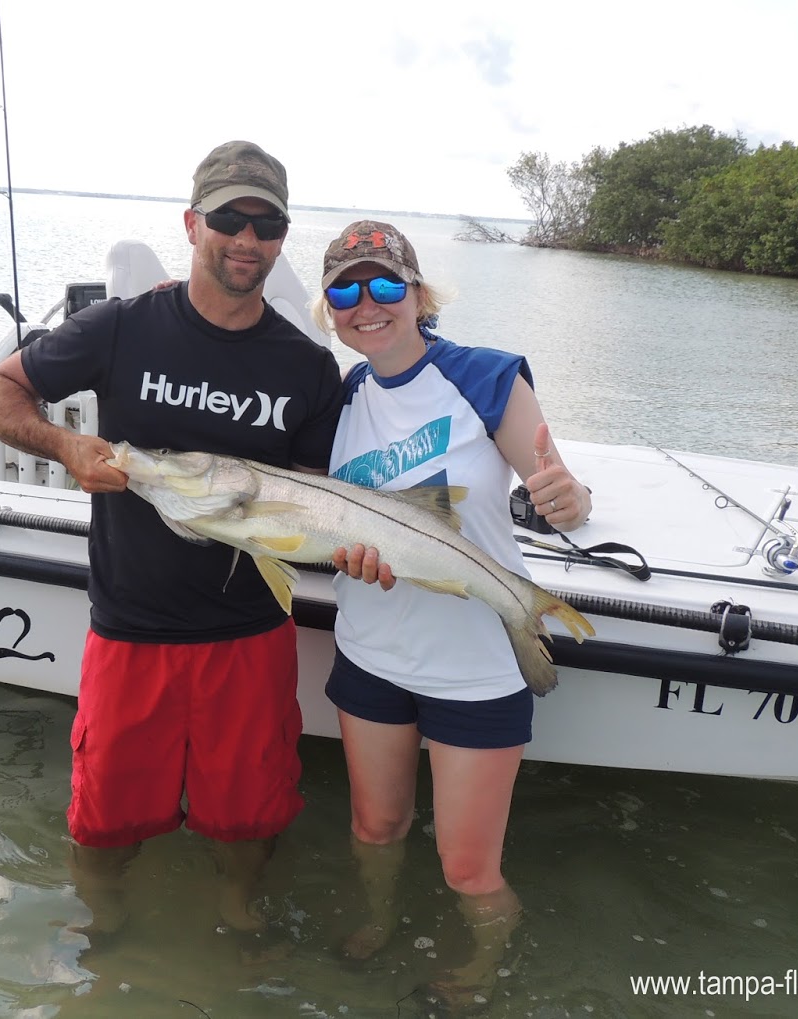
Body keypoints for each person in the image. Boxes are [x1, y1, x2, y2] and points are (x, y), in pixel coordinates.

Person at [0, 141, 347, 942]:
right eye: (229, 218)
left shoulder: (309, 368)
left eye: (267, 224)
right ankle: (103, 935)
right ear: (192, 222)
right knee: (103, 819)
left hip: (249, 634)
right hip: (130, 628)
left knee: (250, 817)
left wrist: (354, 547)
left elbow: (317, 502)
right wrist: (65, 445)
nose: (246, 239)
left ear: (283, 238)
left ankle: (238, 915)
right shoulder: (120, 328)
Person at [312, 220, 591, 1003]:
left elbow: (558, 489)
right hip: (370, 651)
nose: (367, 304)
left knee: (469, 869)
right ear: (330, 311)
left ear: (419, 293)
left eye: (385, 284)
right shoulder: (344, 396)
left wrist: (570, 499)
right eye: (345, 292)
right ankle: (378, 917)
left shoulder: (486, 376)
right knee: (375, 829)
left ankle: (481, 967)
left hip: (475, 663)